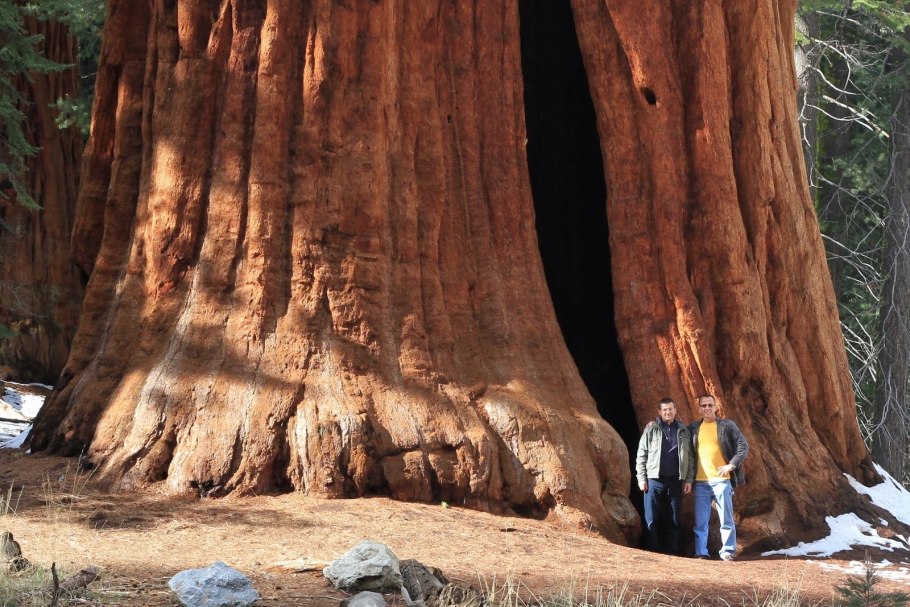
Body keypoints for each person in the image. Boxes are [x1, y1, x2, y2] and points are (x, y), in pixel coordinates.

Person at [690, 394, 749, 561]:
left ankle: (728, 552)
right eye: (703, 406)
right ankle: (701, 552)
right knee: (701, 521)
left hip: (721, 481)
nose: (707, 408)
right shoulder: (694, 428)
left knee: (726, 519)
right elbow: (678, 432)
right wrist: (654, 424)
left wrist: (732, 464)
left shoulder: (726, 426)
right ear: (699, 408)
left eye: (710, 405)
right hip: (701, 482)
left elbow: (743, 445)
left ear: (716, 407)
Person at [635, 397, 695, 555]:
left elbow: (689, 458)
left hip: (675, 481)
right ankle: (652, 551)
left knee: (674, 519)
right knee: (651, 518)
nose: (668, 412)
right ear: (659, 412)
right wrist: (641, 478)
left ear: (675, 410)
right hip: (654, 481)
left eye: (670, 409)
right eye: (665, 410)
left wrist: (688, 479)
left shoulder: (683, 430)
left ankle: (673, 552)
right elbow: (642, 454)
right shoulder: (651, 429)